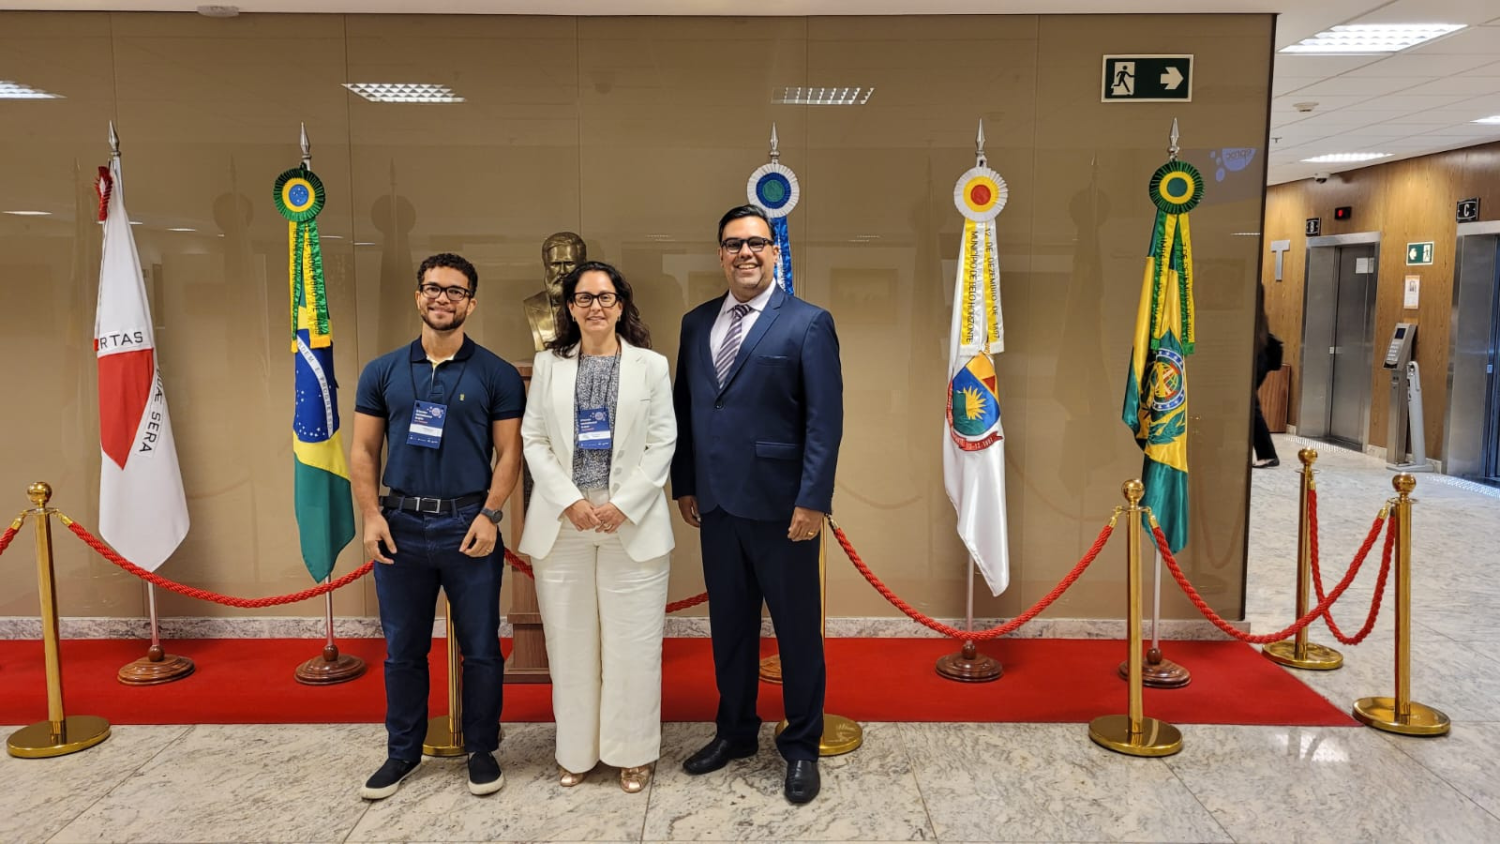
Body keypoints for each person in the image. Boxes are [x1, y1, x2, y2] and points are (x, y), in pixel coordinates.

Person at [671, 205, 843, 805]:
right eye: (734, 244)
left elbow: (824, 423)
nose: (746, 253)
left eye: (757, 244)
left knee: (796, 633)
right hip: (715, 505)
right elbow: (687, 412)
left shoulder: (808, 323)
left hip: (783, 508)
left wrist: (812, 500)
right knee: (731, 630)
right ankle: (736, 732)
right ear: (719, 254)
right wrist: (685, 483)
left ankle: (801, 746)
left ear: (776, 253)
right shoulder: (695, 325)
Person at [351, 253, 524, 799]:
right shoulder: (381, 371)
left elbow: (510, 454)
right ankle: (401, 752)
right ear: (418, 296)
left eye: (455, 290)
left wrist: (492, 514)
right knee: (403, 649)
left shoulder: (494, 373)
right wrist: (372, 516)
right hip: (399, 524)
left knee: (480, 648)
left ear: (471, 302)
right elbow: (362, 449)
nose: (442, 298)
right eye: (432, 288)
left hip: (467, 525)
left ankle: (481, 749)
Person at [518, 261, 676, 793]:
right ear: (569, 308)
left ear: (622, 304)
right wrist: (567, 501)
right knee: (570, 642)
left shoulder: (652, 366)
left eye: (605, 297)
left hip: (630, 522)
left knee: (634, 644)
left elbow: (663, 443)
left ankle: (632, 752)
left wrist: (624, 504)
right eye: (584, 299)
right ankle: (577, 752)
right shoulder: (549, 365)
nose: (595, 307)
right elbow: (533, 439)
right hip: (564, 523)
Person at [524, 232, 587, 351]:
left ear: (582, 265)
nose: (562, 271)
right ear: (546, 266)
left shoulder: (598, 307)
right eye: (555, 264)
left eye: (569, 263)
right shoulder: (531, 305)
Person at [1252, 282, 1282, 469]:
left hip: (1258, 359)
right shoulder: (1259, 317)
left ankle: (1267, 453)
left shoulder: (1252, 315)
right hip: (1261, 357)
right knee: (1251, 405)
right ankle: (1267, 453)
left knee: (1251, 407)